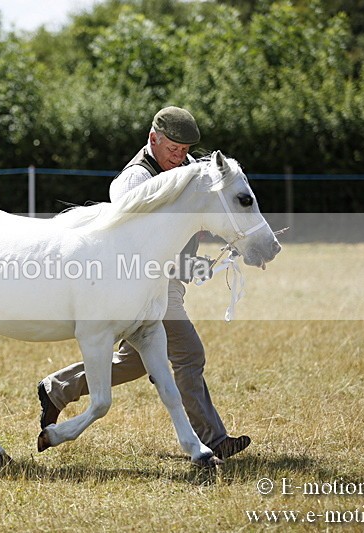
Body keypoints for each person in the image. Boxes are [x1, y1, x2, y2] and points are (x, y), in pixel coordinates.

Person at [37, 106, 251, 460]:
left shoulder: (183, 169)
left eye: (185, 151)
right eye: (173, 150)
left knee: (136, 362)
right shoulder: (134, 182)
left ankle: (57, 388)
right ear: (153, 139)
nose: (180, 158)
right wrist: (186, 263)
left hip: (167, 283)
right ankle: (214, 440)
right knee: (188, 354)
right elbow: (139, 249)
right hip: (148, 287)